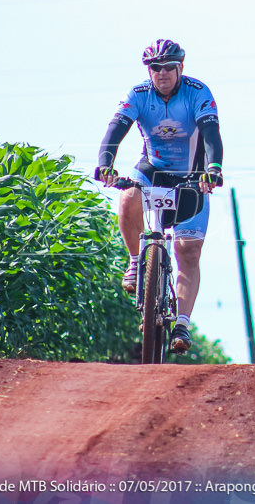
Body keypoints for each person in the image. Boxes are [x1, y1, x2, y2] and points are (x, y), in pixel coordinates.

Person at [94, 39, 224, 353]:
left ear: (180, 68)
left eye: (168, 67)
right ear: (149, 71)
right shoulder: (138, 95)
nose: (162, 73)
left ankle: (181, 323)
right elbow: (115, 130)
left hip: (191, 178)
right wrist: (105, 165)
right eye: (155, 68)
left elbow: (211, 135)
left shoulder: (197, 92)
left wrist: (214, 168)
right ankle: (136, 261)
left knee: (188, 251)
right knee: (128, 197)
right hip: (152, 170)